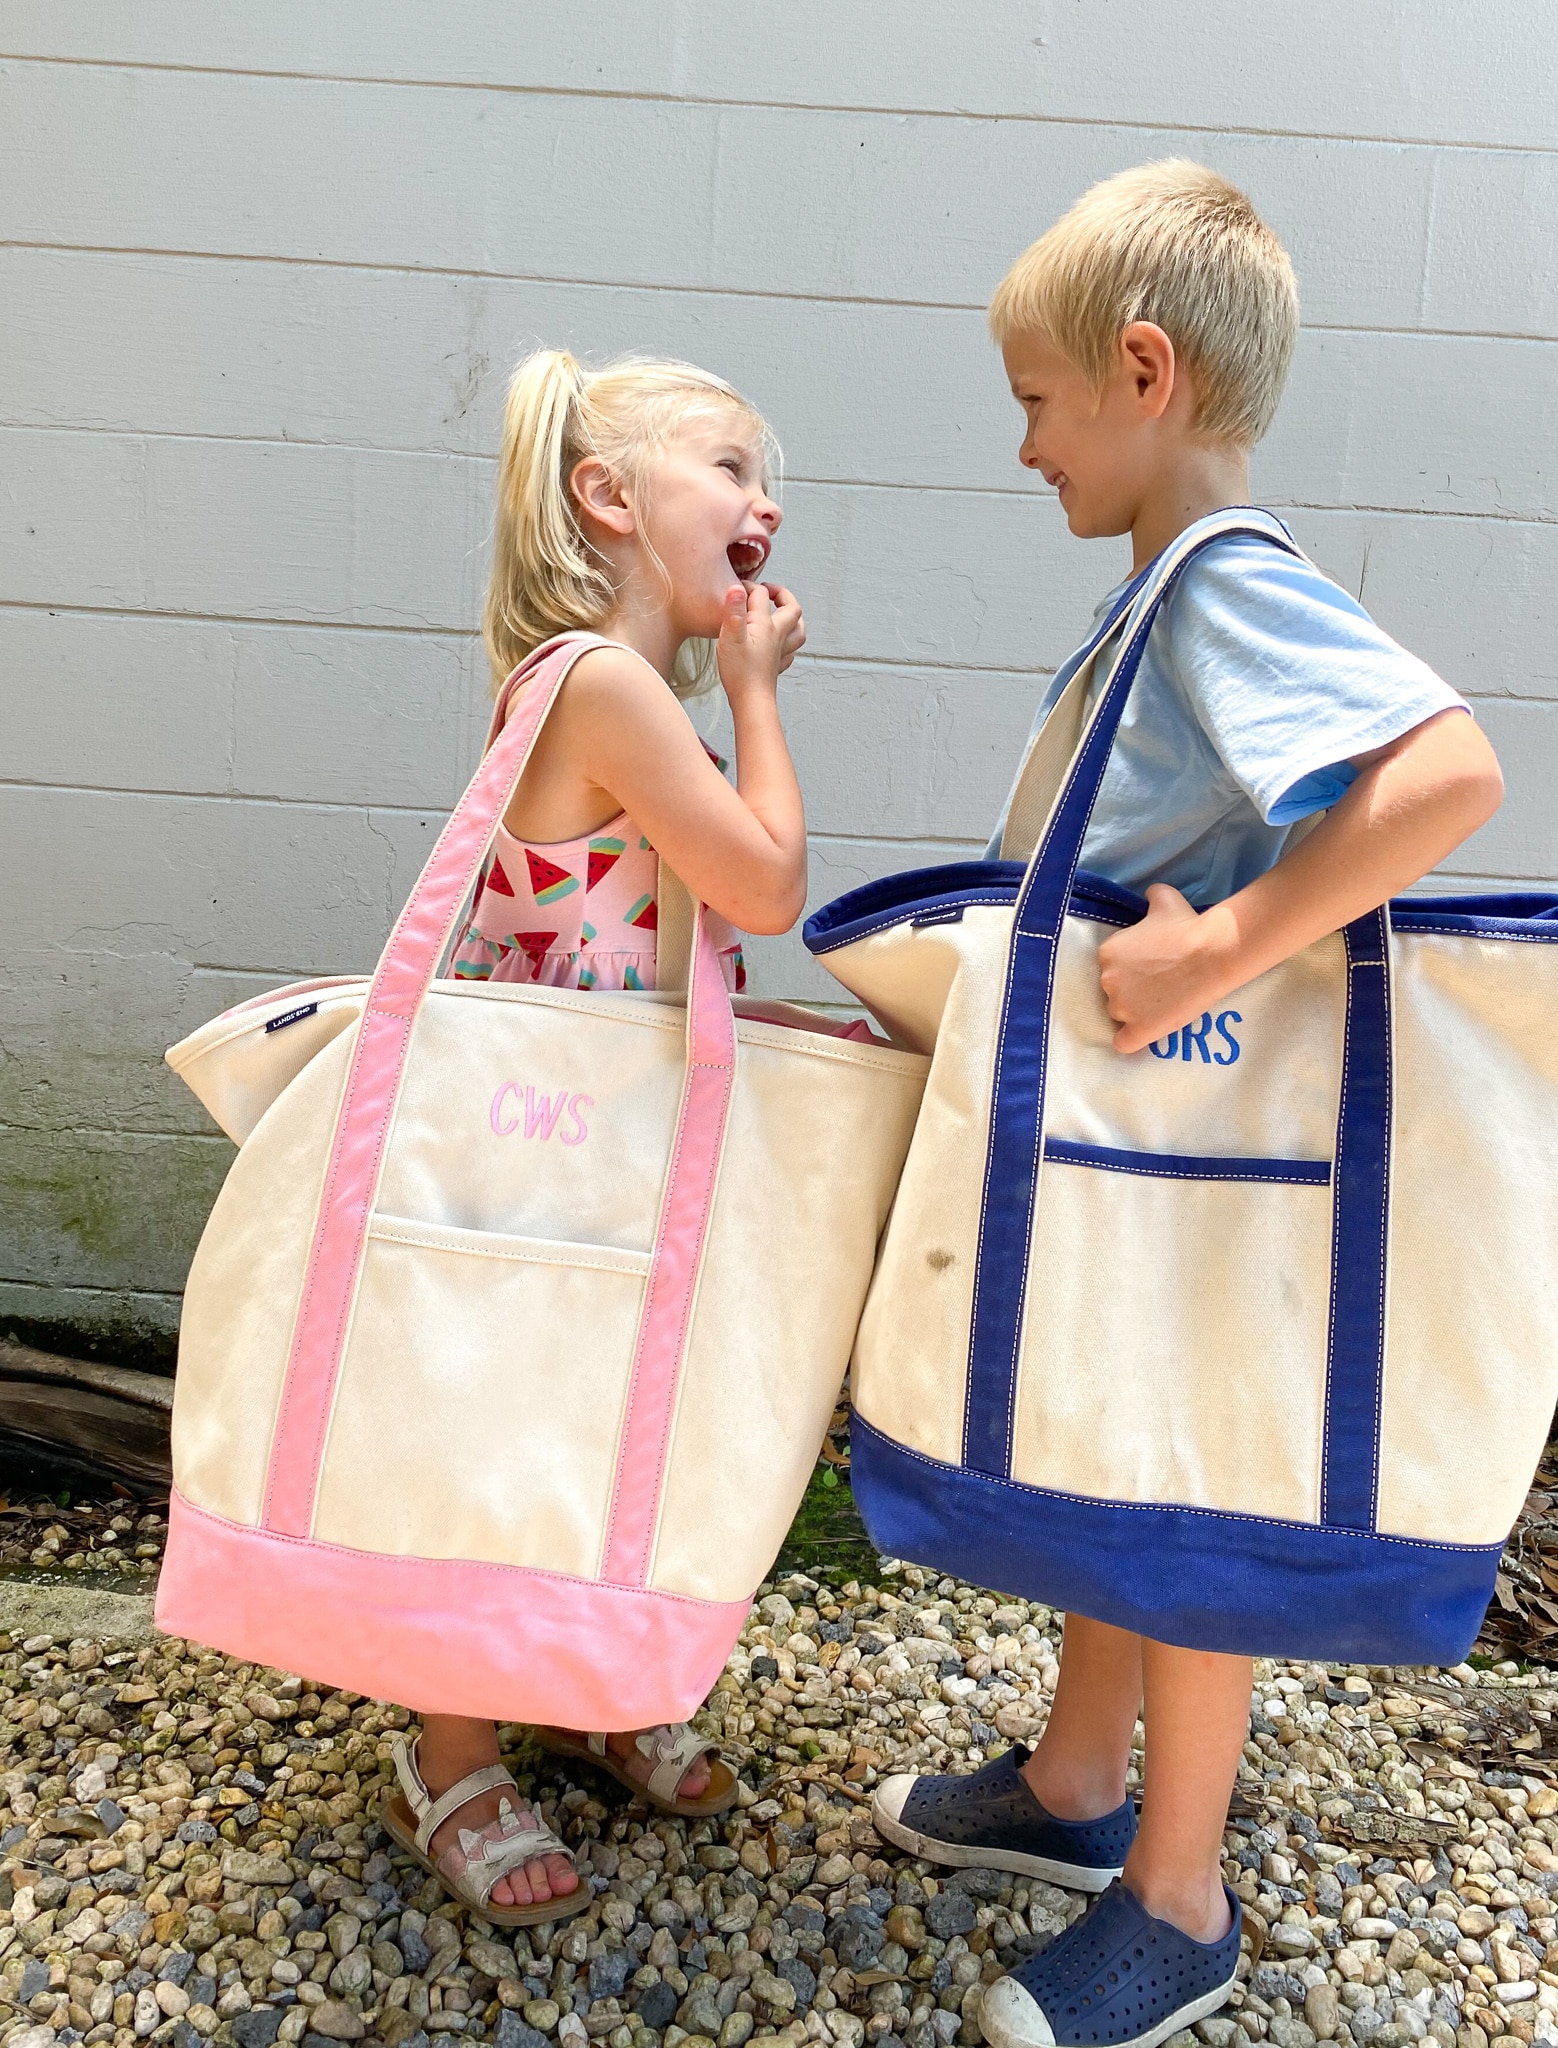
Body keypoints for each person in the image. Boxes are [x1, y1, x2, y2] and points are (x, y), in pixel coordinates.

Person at [870, 161, 1504, 2048]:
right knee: (1116, 1455)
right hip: (1149, 1149)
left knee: (1194, 1491)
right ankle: (1077, 1792)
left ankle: (1182, 1897)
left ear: (1142, 370)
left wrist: (1219, 948)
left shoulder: (1223, 588)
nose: (1023, 447)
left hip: (1201, 1154)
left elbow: (1450, 774)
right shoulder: (1163, 601)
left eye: (1036, 401)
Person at [379, 350, 808, 1924]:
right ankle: (448, 1748)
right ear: (609, 499)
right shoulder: (610, 687)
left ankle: (582, 1679)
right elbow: (764, 883)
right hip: (556, 1151)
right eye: (729, 467)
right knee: (507, 1440)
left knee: (594, 1424)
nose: (765, 504)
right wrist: (758, 696)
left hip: (583, 1149)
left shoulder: (589, 686)